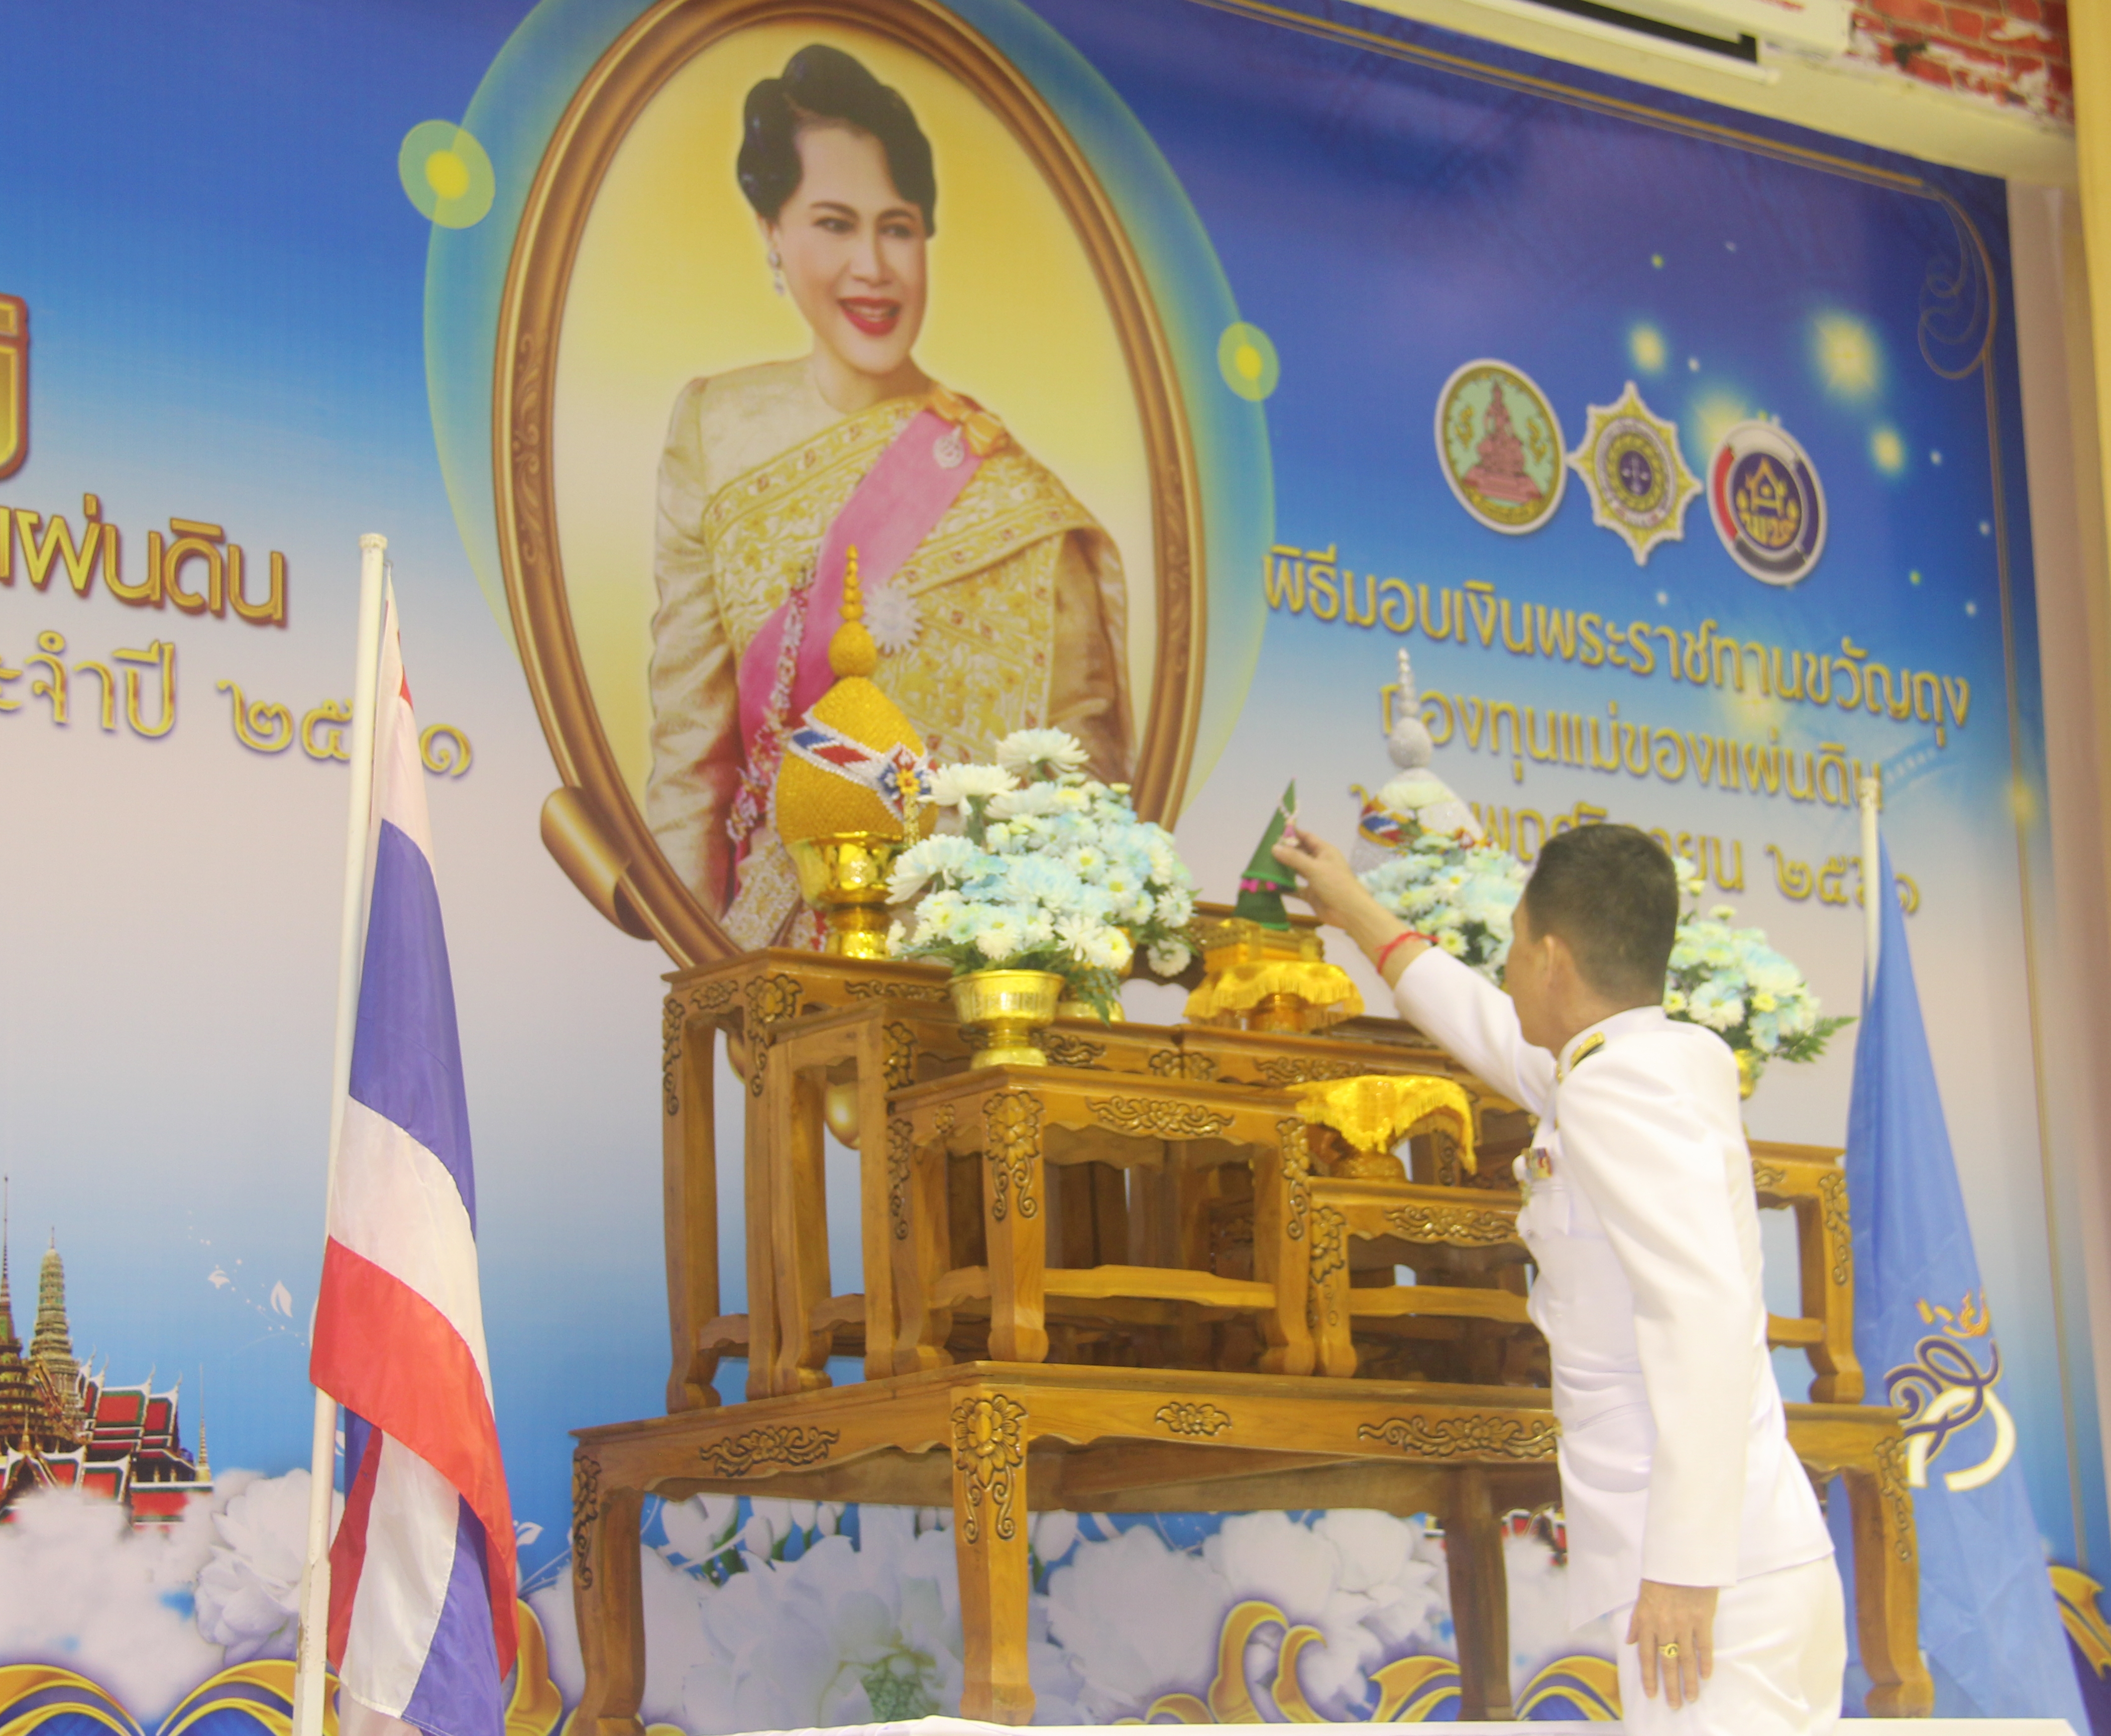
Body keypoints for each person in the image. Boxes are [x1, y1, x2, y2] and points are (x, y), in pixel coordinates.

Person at [1274, 821, 1845, 1732]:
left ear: (1550, 957)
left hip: (1711, 1584)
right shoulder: (1651, 1063)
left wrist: (1686, 1570)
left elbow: (1704, 1317)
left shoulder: (1620, 1090)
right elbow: (1493, 1032)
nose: (1502, 967)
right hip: (1739, 1563)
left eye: (1506, 945)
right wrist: (1355, 910)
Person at [643, 43, 1134, 948]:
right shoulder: (718, 428)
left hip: (969, 981)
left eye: (898, 227)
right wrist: (697, 984)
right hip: (775, 977)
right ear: (772, 233)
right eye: (834, 223)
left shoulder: (1013, 499)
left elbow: (1083, 791)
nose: (873, 265)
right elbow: (690, 761)